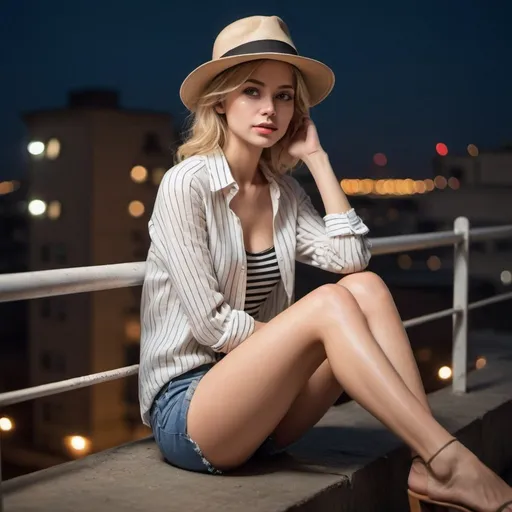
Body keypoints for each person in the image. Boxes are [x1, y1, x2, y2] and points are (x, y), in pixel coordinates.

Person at [138, 15, 512, 512]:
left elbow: (351, 258)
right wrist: (299, 343)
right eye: (252, 91)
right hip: (191, 412)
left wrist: (317, 158)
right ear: (220, 101)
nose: (270, 109)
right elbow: (211, 327)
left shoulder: (284, 194)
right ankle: (451, 460)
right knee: (332, 304)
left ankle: (429, 460)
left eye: (284, 96)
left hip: (267, 412)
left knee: (367, 289)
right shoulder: (187, 184)